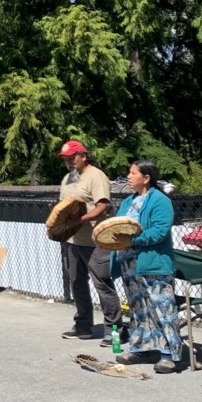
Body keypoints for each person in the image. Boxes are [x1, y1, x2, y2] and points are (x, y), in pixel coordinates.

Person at [111, 159, 182, 374]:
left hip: (153, 262)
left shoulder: (160, 201)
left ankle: (170, 354)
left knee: (162, 308)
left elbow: (160, 231)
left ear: (146, 177)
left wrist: (134, 240)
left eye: (133, 173)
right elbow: (117, 223)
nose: (129, 177)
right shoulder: (129, 201)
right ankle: (141, 347)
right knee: (138, 308)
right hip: (129, 263)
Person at [57, 140, 126, 345]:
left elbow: (101, 207)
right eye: (65, 159)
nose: (69, 162)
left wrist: (79, 220)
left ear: (83, 156)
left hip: (96, 241)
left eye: (72, 157)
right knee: (77, 282)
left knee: (102, 284)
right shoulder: (68, 178)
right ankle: (83, 327)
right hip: (72, 239)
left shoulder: (96, 176)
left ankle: (114, 331)